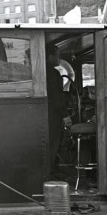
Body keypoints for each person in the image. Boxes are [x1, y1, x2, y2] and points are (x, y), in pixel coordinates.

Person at [46, 44, 72, 175]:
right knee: (54, 143)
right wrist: (65, 115)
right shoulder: (53, 73)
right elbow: (57, 98)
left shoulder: (43, 70)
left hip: (46, 112)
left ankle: (50, 171)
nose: (59, 58)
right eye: (57, 56)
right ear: (50, 56)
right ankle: (51, 172)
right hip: (53, 114)